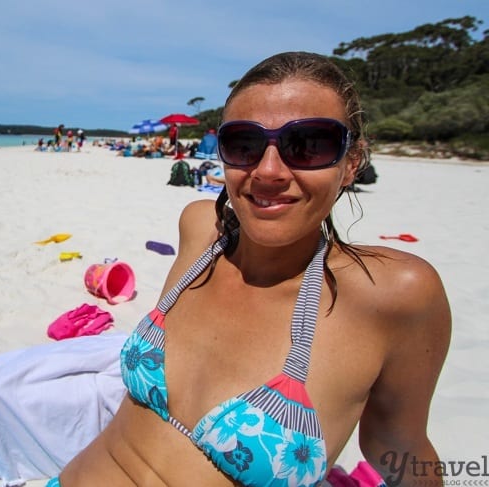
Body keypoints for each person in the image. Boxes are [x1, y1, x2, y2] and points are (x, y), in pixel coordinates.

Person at [48, 51, 451, 486]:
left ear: (351, 162)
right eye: (244, 144)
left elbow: (400, 446)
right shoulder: (202, 230)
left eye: (308, 145)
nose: (269, 171)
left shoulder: (393, 294)